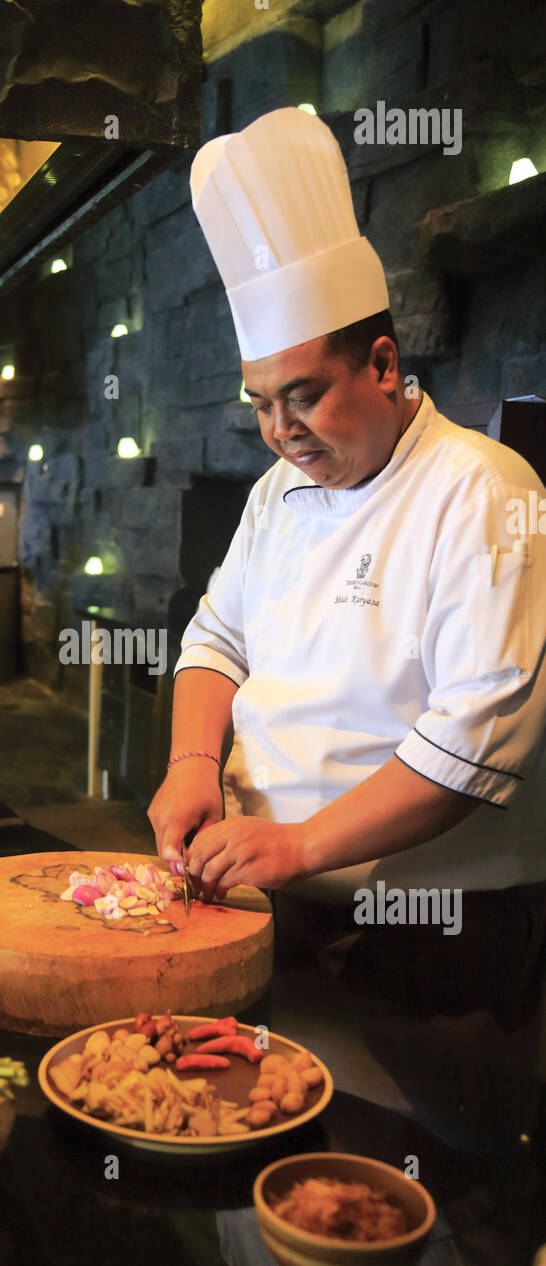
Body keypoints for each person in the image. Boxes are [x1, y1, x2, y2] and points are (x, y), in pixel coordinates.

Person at [148, 108, 546, 1024]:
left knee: (394, 1159)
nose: (281, 431)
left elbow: (475, 736)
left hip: (429, 930)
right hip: (267, 897)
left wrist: (302, 845)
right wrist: (192, 765)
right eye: (261, 404)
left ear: (382, 362)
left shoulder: (482, 492)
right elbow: (216, 637)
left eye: (304, 396)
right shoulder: (274, 494)